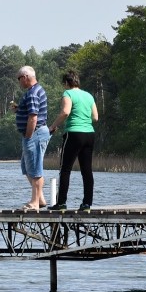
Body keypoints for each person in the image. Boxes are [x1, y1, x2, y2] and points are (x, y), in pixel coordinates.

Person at [49, 70, 99, 212]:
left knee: (65, 169)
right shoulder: (88, 96)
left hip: (74, 133)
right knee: (87, 170)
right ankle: (87, 204)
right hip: (89, 134)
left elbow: (65, 112)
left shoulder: (68, 94)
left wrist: (53, 126)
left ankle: (62, 203)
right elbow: (95, 117)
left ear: (66, 83)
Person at [13, 66, 50, 211]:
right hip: (35, 134)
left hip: (35, 134)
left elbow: (33, 118)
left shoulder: (33, 93)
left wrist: (28, 136)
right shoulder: (34, 91)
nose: (19, 82)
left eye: (19, 79)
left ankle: (34, 202)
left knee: (34, 168)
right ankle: (40, 199)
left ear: (25, 77)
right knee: (26, 167)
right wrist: (19, 109)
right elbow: (31, 111)